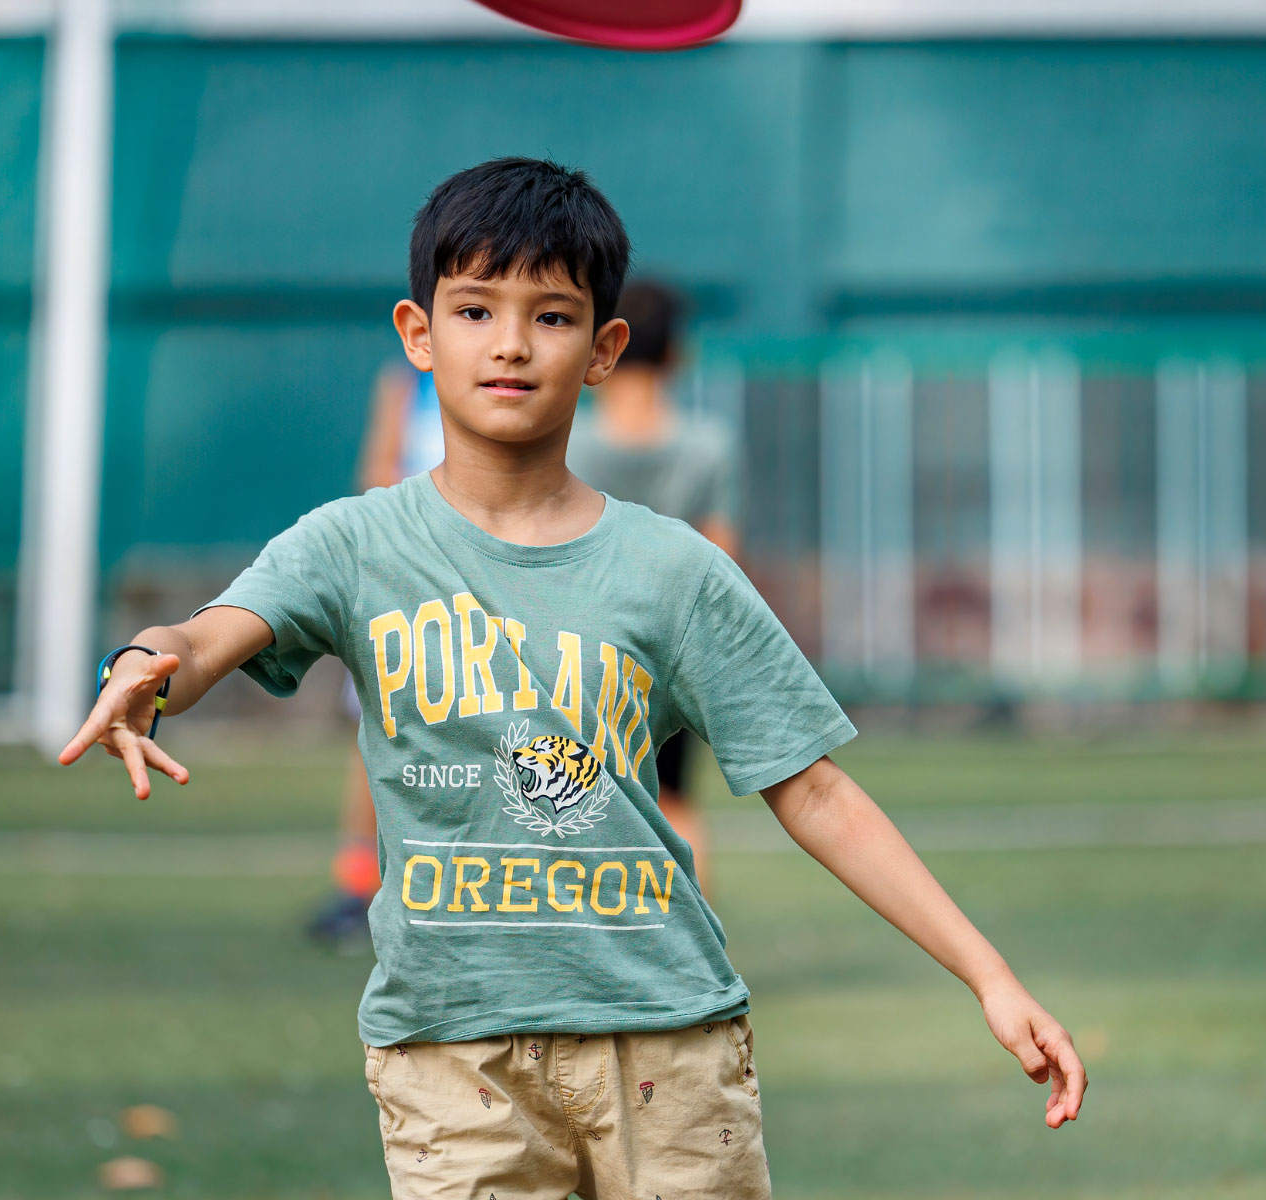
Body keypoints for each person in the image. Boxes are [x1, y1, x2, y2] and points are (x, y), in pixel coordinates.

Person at [60, 157, 1085, 1198]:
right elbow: (205, 636)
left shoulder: (673, 569)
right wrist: (141, 666)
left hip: (667, 1054)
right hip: (448, 1060)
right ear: (418, 334)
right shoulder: (350, 546)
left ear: (601, 350)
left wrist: (988, 977)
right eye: (474, 309)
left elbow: (813, 789)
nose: (509, 343)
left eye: (549, 316)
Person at [568, 279, 736, 893]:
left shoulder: (570, 443)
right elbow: (721, 555)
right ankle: (699, 950)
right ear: (677, 354)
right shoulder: (707, 445)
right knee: (677, 801)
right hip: (671, 647)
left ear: (601, 347)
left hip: (579, 649)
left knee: (573, 808)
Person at [306, 364, 443, 946]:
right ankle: (358, 886)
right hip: (413, 582)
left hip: (496, 586)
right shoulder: (405, 383)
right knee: (379, 728)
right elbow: (377, 471)